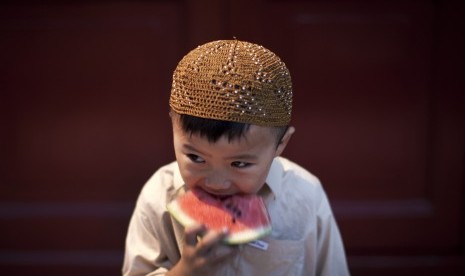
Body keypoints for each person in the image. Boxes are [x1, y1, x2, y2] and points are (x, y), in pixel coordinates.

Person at [122, 39, 350, 276]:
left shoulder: (306, 197)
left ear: (281, 144)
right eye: (196, 158)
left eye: (240, 164)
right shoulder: (158, 197)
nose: (216, 183)